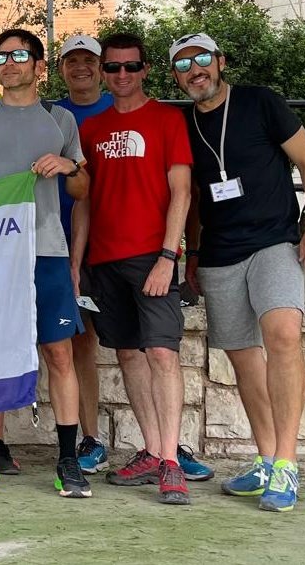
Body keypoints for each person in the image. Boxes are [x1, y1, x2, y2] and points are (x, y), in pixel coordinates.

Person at [171, 31, 305, 512]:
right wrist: (192, 253)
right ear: (177, 77)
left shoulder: (261, 102)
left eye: (201, 58)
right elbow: (196, 195)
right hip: (219, 254)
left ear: (219, 60)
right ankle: (264, 459)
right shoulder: (182, 124)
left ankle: (286, 464)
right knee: (242, 359)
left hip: (274, 242)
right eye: (183, 64)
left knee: (282, 335)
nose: (195, 69)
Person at [0, 29, 91, 498]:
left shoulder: (61, 120)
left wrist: (69, 167)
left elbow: (82, 189)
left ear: (38, 65)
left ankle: (68, 461)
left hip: (46, 252)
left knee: (59, 354)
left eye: (20, 55)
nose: (10, 62)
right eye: (2, 55)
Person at [73, 33, 193, 506]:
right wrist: (76, 261)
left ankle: (171, 462)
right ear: (104, 72)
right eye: (113, 67)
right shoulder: (92, 129)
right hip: (103, 259)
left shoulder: (167, 119)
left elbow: (181, 192)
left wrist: (169, 255)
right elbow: (83, 203)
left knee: (162, 353)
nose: (121, 75)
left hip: (152, 256)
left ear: (145, 70)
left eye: (131, 66)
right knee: (127, 354)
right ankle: (149, 450)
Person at [53, 34, 114, 475]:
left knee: (140, 345)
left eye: (88, 61)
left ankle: (165, 444)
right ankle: (90, 438)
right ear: (60, 69)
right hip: (54, 243)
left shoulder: (118, 110)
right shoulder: (50, 116)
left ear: (101, 66)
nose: (80, 68)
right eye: (71, 61)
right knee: (77, 343)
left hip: (113, 243)